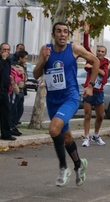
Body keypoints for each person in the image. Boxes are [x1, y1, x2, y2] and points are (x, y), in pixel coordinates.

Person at [33, 22, 100, 187]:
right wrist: (44, 60)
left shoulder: (74, 49)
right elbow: (36, 74)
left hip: (70, 97)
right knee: (66, 137)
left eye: (65, 32)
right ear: (53, 34)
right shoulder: (46, 49)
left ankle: (63, 168)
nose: (62, 34)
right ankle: (79, 164)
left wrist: (90, 86)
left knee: (54, 129)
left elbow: (96, 61)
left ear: (68, 35)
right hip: (53, 100)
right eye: (59, 31)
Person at [81, 23, 109, 147]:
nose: (100, 53)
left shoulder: (106, 62)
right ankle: (86, 137)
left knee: (100, 116)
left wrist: (92, 68)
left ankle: (96, 135)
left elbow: (105, 75)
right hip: (89, 89)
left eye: (102, 51)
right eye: (98, 51)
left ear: (105, 53)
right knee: (87, 115)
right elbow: (86, 47)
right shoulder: (91, 58)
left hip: (99, 91)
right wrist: (86, 33)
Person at [10, 50, 28, 136]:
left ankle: (14, 125)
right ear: (20, 58)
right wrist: (16, 90)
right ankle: (11, 126)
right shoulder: (15, 66)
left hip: (21, 89)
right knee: (14, 109)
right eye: (25, 58)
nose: (26, 60)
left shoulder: (23, 66)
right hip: (16, 90)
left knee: (20, 109)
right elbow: (13, 79)